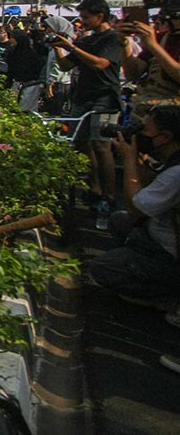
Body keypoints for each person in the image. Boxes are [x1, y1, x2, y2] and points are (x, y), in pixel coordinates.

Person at [88, 105, 180, 304]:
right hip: (159, 237)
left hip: (170, 254)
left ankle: (170, 298)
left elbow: (136, 209)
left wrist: (129, 159)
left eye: (145, 130)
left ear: (165, 137)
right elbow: (147, 188)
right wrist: (139, 158)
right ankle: (137, 263)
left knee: (103, 268)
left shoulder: (176, 173)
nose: (139, 135)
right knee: (118, 220)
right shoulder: (171, 160)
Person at [52, 0, 122, 202]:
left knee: (101, 145)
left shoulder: (113, 38)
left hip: (105, 98)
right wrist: (57, 47)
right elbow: (65, 65)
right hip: (82, 96)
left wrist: (72, 47)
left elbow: (100, 64)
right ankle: (94, 188)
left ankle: (109, 196)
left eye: (86, 17)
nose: (82, 22)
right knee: (81, 144)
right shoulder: (86, 40)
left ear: (100, 16)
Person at [40, 15, 75, 116]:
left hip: (59, 83)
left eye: (49, 27)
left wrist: (50, 83)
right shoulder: (55, 44)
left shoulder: (63, 45)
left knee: (55, 113)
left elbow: (58, 65)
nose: (47, 30)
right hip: (56, 82)